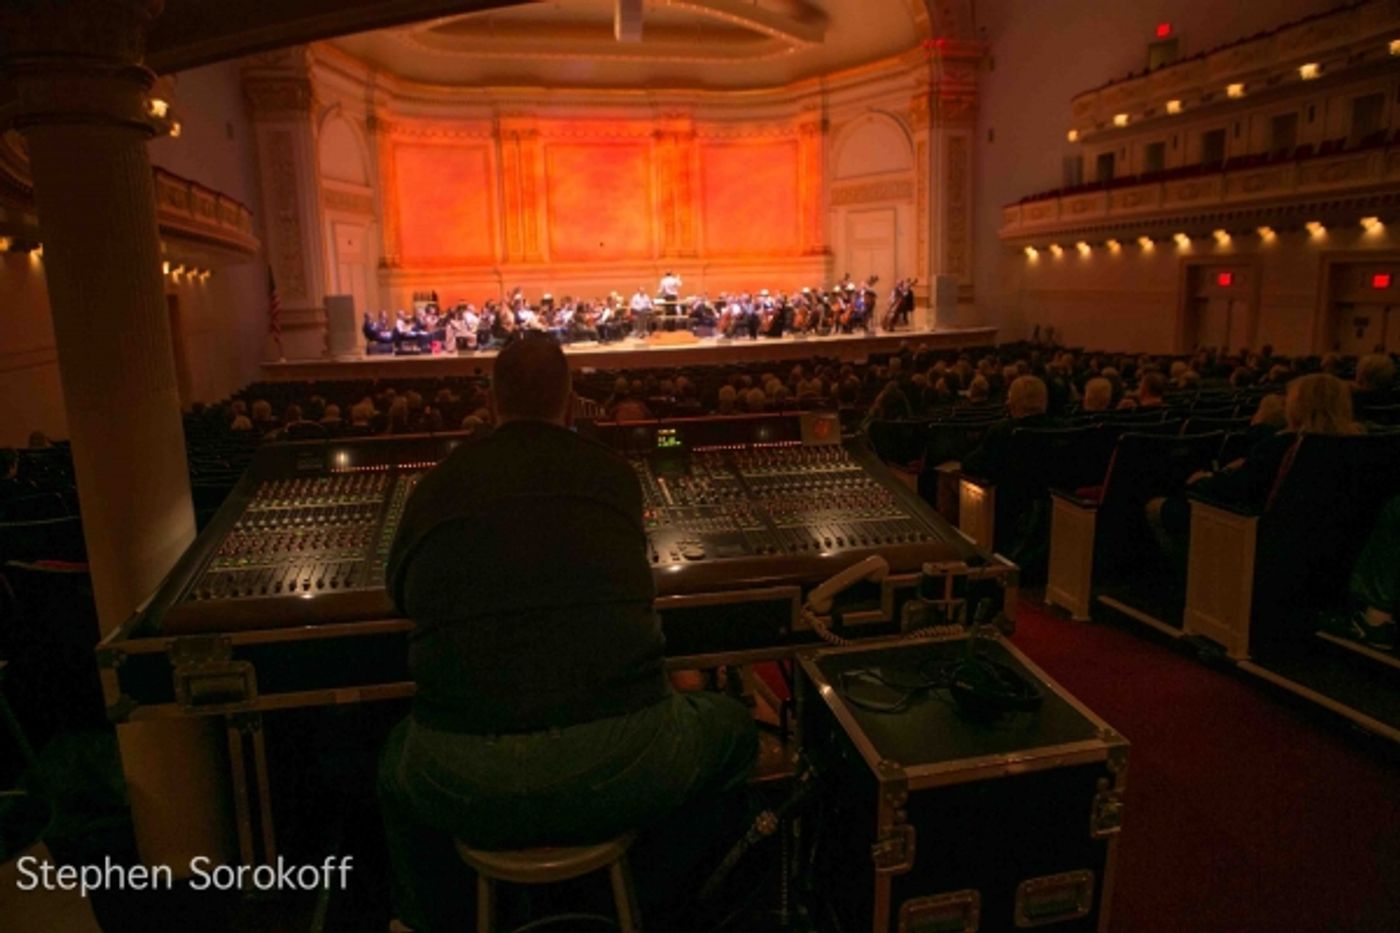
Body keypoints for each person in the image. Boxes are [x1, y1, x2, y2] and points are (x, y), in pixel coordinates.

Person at [377, 335, 757, 932]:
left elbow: (398, 594)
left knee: (394, 758)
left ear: (491, 398)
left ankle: (427, 920)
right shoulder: (613, 478)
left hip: (462, 775)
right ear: (571, 399)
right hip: (624, 761)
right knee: (734, 727)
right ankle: (674, 905)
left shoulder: (435, 487)